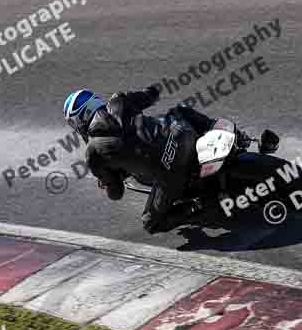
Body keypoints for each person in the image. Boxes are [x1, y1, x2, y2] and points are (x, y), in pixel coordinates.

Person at [63, 87, 214, 233]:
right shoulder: (119, 100)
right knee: (180, 111)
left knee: (151, 223)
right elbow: (152, 94)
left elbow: (116, 193)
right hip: (182, 134)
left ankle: (199, 206)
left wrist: (107, 183)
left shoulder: (93, 154)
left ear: (78, 120)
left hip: (170, 171)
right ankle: (218, 128)